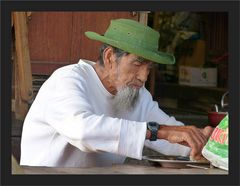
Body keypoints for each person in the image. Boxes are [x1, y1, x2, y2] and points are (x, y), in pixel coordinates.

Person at [20, 18, 213, 167]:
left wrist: (204, 142)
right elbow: (82, 130)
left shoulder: (137, 94)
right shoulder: (67, 79)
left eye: (149, 68)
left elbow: (172, 135)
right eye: (138, 64)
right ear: (110, 57)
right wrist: (159, 132)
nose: (144, 76)